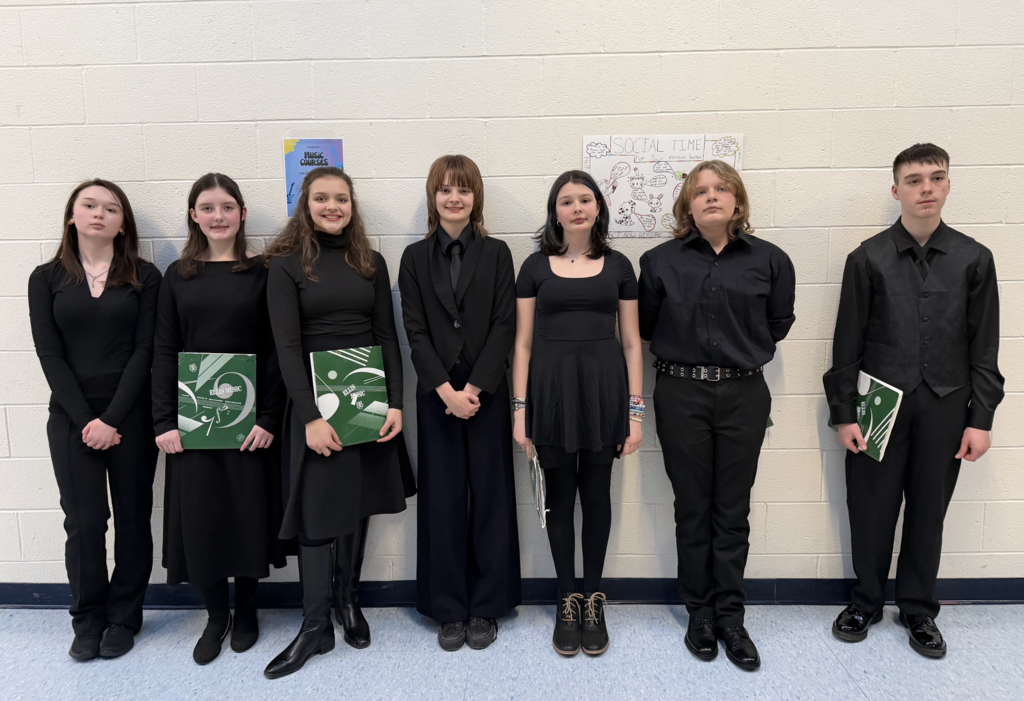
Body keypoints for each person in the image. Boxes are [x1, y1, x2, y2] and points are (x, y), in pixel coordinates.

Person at [824, 144, 1003, 659]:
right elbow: (846, 345)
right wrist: (844, 413)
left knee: (929, 508)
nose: (926, 187)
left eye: (936, 177)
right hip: (879, 402)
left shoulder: (974, 258)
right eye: (914, 179)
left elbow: (984, 345)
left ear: (948, 185)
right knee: (871, 505)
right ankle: (866, 600)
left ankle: (919, 608)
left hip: (948, 404)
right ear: (896, 189)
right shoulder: (867, 258)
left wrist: (981, 419)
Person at [638, 159, 795, 671]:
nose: (711, 196)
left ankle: (731, 616)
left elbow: (778, 323)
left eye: (721, 188)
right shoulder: (658, 262)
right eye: (700, 190)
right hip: (680, 393)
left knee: (732, 509)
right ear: (687, 204)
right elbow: (647, 325)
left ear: (737, 201)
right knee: (692, 507)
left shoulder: (771, 260)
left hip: (743, 395)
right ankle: (699, 615)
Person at [263, 166, 416, 679]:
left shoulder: (370, 262)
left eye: (342, 199)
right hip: (313, 408)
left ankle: (349, 600)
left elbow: (387, 336)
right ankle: (314, 626)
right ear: (305, 205)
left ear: (353, 206)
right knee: (314, 512)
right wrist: (309, 417)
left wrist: (394, 403)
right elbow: (285, 344)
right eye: (322, 199)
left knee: (357, 504)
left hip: (365, 398)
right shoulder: (285, 266)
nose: (333, 207)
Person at [152, 173, 287, 665]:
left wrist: (270, 416)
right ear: (194, 216)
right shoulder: (177, 276)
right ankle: (215, 615)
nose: (218, 216)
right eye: (207, 207)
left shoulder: (262, 273)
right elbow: (165, 350)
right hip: (191, 423)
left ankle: (247, 609)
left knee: (247, 515)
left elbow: (275, 351)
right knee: (202, 518)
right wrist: (163, 420)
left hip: (247, 420)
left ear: (243, 214)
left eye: (227, 206)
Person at [27, 180, 162, 661]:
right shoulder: (45, 278)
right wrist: (89, 420)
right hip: (71, 421)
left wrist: (113, 417)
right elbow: (49, 354)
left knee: (132, 520)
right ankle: (88, 619)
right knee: (84, 523)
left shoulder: (145, 276)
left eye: (111, 208)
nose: (99, 214)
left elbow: (146, 350)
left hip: (131, 418)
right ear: (72, 216)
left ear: (123, 222)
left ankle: (125, 617)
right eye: (89, 205)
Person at [513, 170, 643, 657]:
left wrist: (635, 413)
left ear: (598, 208)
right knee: (559, 499)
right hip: (548, 394)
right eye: (566, 201)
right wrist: (519, 410)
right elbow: (522, 345)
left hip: (604, 394)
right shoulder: (533, 266)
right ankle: (566, 597)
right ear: (555, 212)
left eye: (584, 199)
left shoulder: (619, 266)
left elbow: (632, 344)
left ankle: (593, 599)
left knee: (597, 496)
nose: (576, 208)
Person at [398, 155, 520, 652]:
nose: (454, 198)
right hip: (437, 392)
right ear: (433, 196)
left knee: (491, 496)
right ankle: (447, 607)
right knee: (443, 498)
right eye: (445, 189)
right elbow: (416, 329)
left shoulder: (497, 253)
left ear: (476, 197)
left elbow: (504, 324)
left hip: (485, 391)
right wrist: (445, 389)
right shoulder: (412, 257)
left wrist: (476, 389)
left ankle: (488, 605)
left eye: (463, 190)